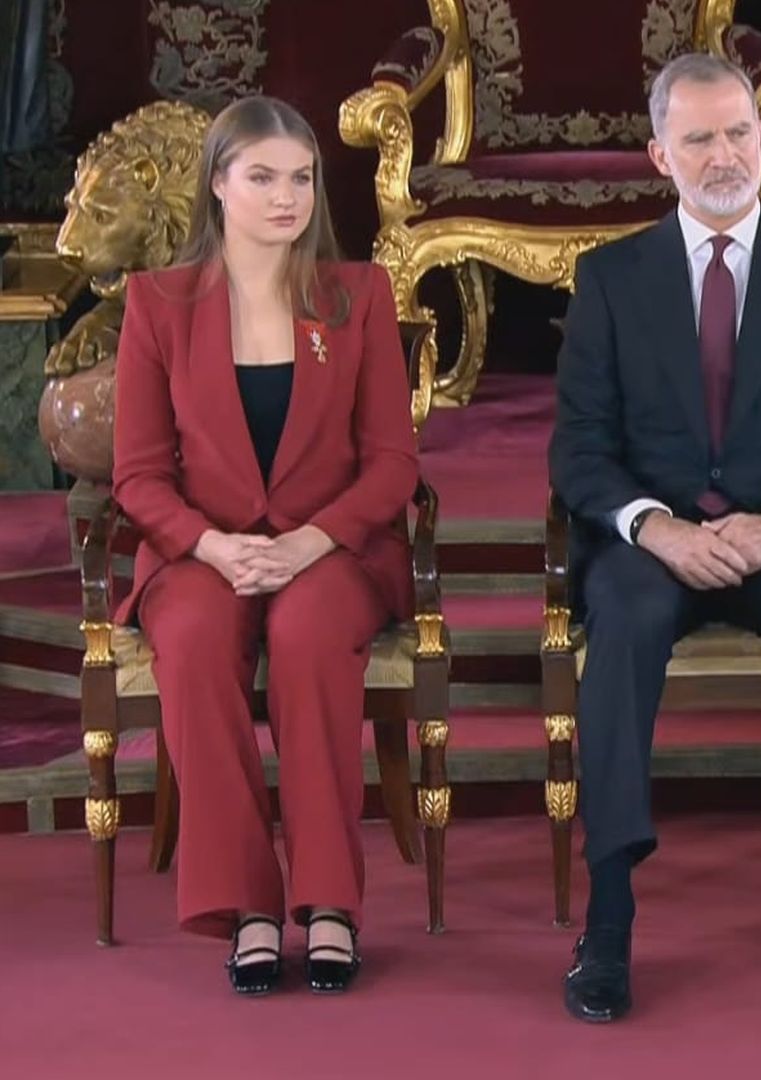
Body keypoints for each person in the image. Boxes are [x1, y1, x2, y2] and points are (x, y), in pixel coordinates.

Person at [548, 53, 761, 1023]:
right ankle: (609, 916)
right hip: (654, 547)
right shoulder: (610, 278)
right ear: (660, 154)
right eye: (698, 138)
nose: (724, 155)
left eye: (739, 132)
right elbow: (578, 448)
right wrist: (652, 528)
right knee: (618, 625)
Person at [112, 95, 419, 995]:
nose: (287, 198)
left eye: (302, 178)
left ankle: (328, 903)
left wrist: (312, 542)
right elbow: (138, 475)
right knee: (195, 640)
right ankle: (247, 904)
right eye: (263, 177)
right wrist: (208, 545)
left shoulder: (357, 295)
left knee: (307, 634)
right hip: (200, 553)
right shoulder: (157, 304)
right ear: (218, 183)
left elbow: (393, 464)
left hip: (334, 550)